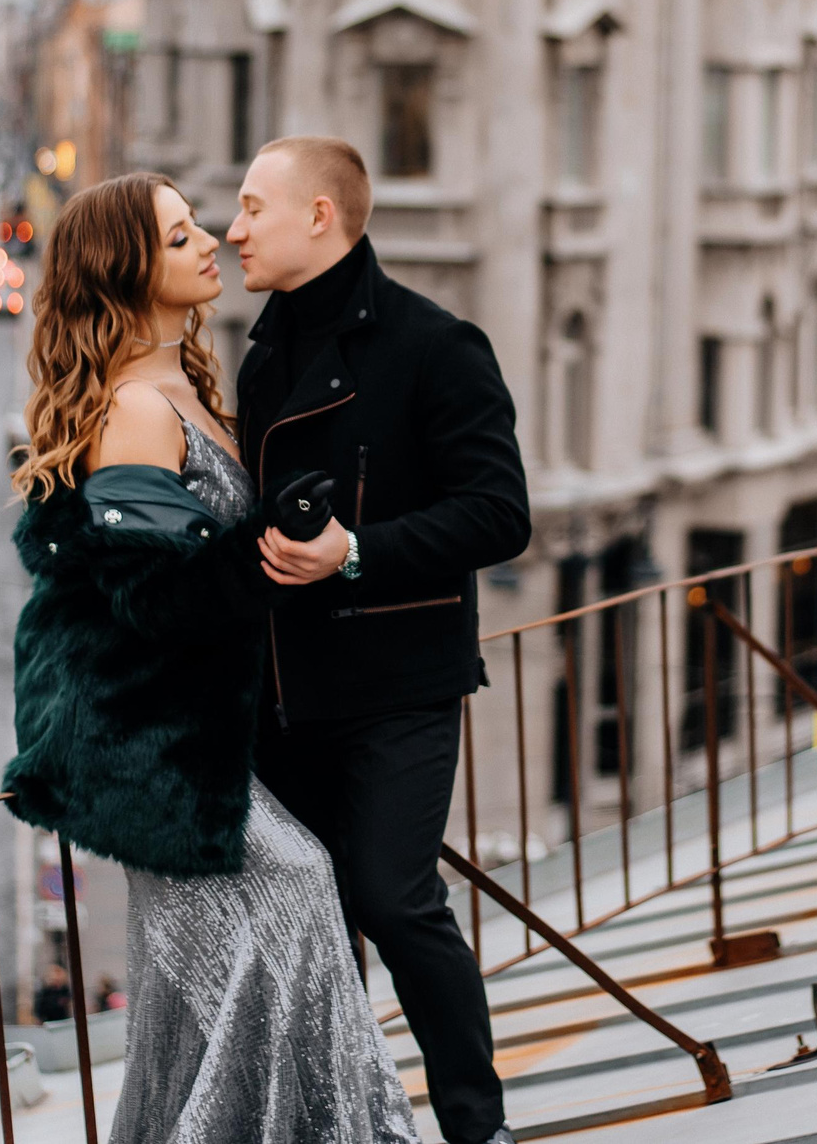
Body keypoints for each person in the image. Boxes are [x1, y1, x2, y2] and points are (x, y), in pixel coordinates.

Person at [4, 172, 415, 1144]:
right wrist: (270, 531)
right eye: (180, 233)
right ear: (127, 268)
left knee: (204, 999)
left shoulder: (187, 378)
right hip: (156, 753)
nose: (210, 242)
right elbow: (149, 597)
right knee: (298, 883)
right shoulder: (138, 410)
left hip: (201, 740)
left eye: (200, 226)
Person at [225, 137, 529, 1144]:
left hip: (400, 680)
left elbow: (498, 513)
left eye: (252, 207)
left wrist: (353, 554)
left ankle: (477, 1127)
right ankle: (350, 1119)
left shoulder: (437, 343)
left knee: (396, 901)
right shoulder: (264, 353)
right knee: (315, 928)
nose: (234, 230)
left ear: (321, 214)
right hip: (289, 691)